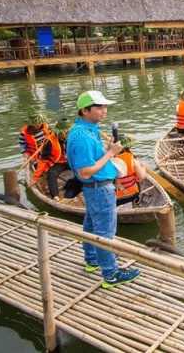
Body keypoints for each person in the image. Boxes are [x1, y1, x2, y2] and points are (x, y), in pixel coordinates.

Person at [66, 90, 140, 289]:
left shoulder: (86, 129)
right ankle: (111, 274)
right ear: (84, 110)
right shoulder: (84, 137)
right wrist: (111, 154)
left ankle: (92, 260)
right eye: (99, 107)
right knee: (105, 232)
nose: (104, 110)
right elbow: (85, 172)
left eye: (105, 106)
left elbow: (90, 160)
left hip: (94, 189)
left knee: (91, 225)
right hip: (99, 188)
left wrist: (105, 149)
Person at [30, 117, 71, 201]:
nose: (66, 135)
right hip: (57, 163)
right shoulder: (49, 141)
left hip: (69, 160)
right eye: (64, 134)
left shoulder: (72, 137)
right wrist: (35, 177)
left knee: (83, 167)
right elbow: (43, 160)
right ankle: (55, 195)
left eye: (68, 133)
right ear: (58, 132)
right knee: (51, 174)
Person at [114, 134, 147, 206]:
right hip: (132, 195)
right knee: (137, 181)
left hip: (114, 199)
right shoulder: (133, 160)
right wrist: (143, 167)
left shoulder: (108, 159)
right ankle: (136, 202)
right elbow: (142, 176)